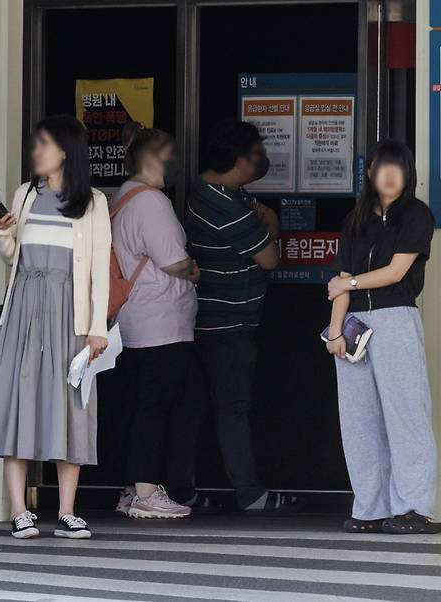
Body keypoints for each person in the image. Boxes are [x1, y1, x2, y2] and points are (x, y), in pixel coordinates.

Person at [0, 115, 111, 540]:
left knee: (70, 405)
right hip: (24, 310)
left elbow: (100, 272)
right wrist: (1, 232)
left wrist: (97, 327)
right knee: (19, 401)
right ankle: (20, 510)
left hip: (69, 312)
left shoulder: (93, 201)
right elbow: (11, 254)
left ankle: (67, 511)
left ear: (66, 151)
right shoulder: (25, 195)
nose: (36, 152)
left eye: (44, 145)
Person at [327, 139, 441, 535]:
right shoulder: (356, 219)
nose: (389, 174)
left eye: (397, 166)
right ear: (370, 173)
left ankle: (413, 506)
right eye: (381, 166)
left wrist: (349, 284)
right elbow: (339, 283)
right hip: (355, 322)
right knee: (359, 418)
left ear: (407, 172)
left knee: (405, 412)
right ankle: (370, 506)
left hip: (395, 317)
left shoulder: (417, 214)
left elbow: (395, 272)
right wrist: (335, 332)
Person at [184, 119, 282, 512]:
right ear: (239, 160)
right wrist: (271, 227)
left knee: (220, 406)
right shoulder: (217, 200)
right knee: (231, 407)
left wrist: (266, 220)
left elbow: (266, 220)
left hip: (232, 321)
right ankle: (249, 492)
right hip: (223, 324)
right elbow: (270, 257)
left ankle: (189, 488)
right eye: (256, 155)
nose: (262, 162)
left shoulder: (230, 193)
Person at [110, 122, 200, 519]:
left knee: (139, 405)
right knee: (156, 406)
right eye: (170, 154)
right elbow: (173, 260)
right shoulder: (151, 202)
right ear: (151, 159)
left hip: (135, 320)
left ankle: (131, 489)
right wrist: (193, 269)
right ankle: (147, 492)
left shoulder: (123, 197)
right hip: (160, 321)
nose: (175, 162)